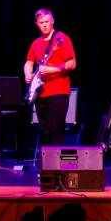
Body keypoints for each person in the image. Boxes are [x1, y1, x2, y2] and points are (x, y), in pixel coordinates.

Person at [23, 8, 76, 147]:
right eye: (41, 22)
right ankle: (47, 166)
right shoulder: (36, 43)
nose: (45, 25)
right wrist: (27, 74)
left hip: (58, 91)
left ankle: (57, 166)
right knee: (45, 131)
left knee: (56, 130)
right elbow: (29, 62)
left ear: (52, 21)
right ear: (37, 24)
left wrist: (53, 69)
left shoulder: (62, 38)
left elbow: (72, 63)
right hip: (40, 93)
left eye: (47, 21)